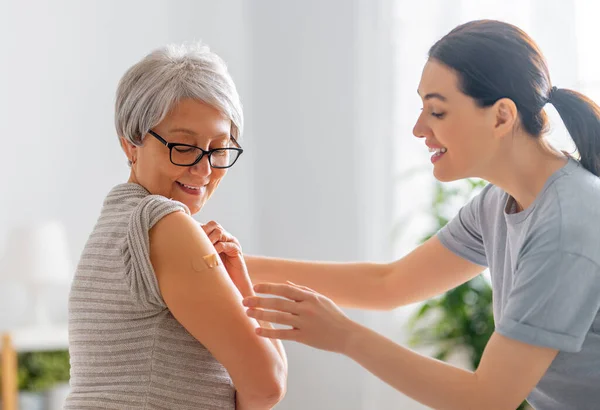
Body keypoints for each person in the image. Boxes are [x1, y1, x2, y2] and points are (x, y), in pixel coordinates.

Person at [204, 20, 600, 409]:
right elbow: (389, 284)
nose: (417, 128)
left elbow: (488, 399)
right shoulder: (498, 204)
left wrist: (344, 336)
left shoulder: (567, 223)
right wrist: (225, 265)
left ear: (501, 116)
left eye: (437, 111)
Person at [66, 43, 287, 410]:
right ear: (131, 144)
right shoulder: (164, 222)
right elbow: (267, 386)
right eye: (183, 147)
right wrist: (242, 286)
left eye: (219, 149)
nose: (203, 170)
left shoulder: (114, 226)